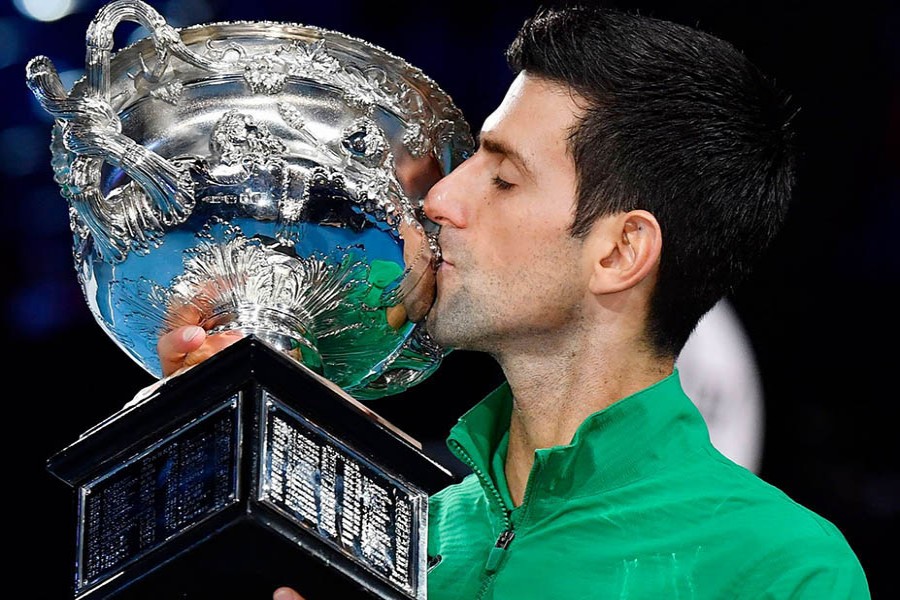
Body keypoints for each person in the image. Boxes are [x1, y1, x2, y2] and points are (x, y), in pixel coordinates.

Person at [158, 5, 870, 599]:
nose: (441, 197)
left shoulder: (778, 569)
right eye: (472, 160)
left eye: (503, 178)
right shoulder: (403, 540)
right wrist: (211, 437)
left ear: (619, 252)